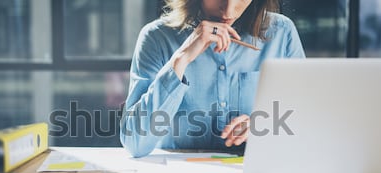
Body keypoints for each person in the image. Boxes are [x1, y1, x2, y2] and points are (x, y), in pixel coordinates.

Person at [120, 0, 305, 157]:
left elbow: (307, 122)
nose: (229, 10)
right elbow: (134, 143)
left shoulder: (282, 33)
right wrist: (181, 59)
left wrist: (267, 125)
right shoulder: (156, 38)